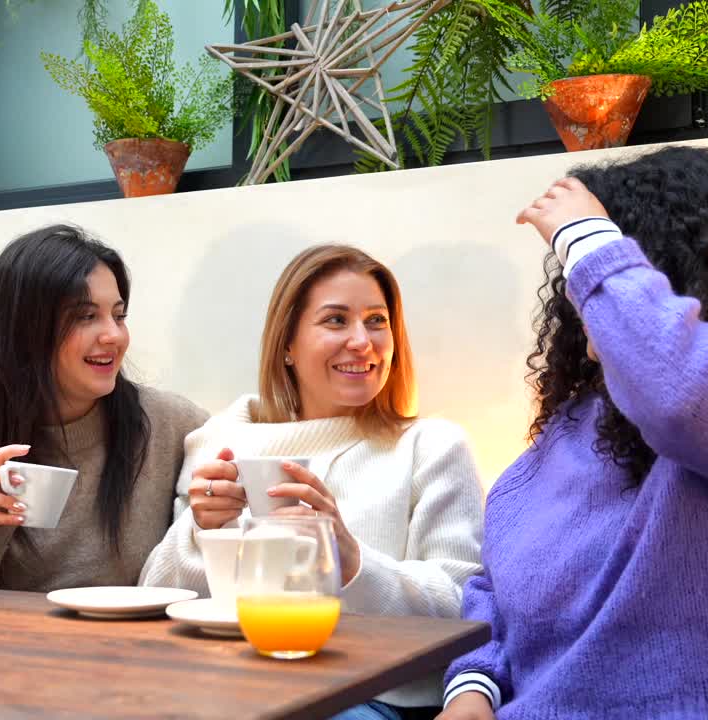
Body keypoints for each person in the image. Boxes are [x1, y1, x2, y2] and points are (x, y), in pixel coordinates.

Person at [440, 146, 708, 720]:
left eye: (602, 266)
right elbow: (495, 588)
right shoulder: (574, 427)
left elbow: (681, 394)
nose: (580, 293)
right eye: (578, 275)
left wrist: (586, 236)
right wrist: (473, 688)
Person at [141, 244, 485, 719]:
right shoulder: (222, 441)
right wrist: (202, 532)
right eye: (336, 320)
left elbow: (464, 608)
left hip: (370, 696)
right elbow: (159, 601)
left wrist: (353, 560)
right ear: (287, 344)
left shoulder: (432, 446)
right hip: (232, 681)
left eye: (377, 321)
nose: (362, 341)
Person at [0, 225, 209, 590]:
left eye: (119, 316)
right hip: (4, 631)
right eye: (86, 317)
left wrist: (217, 507)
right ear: (25, 331)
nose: (114, 335)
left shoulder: (170, 424)